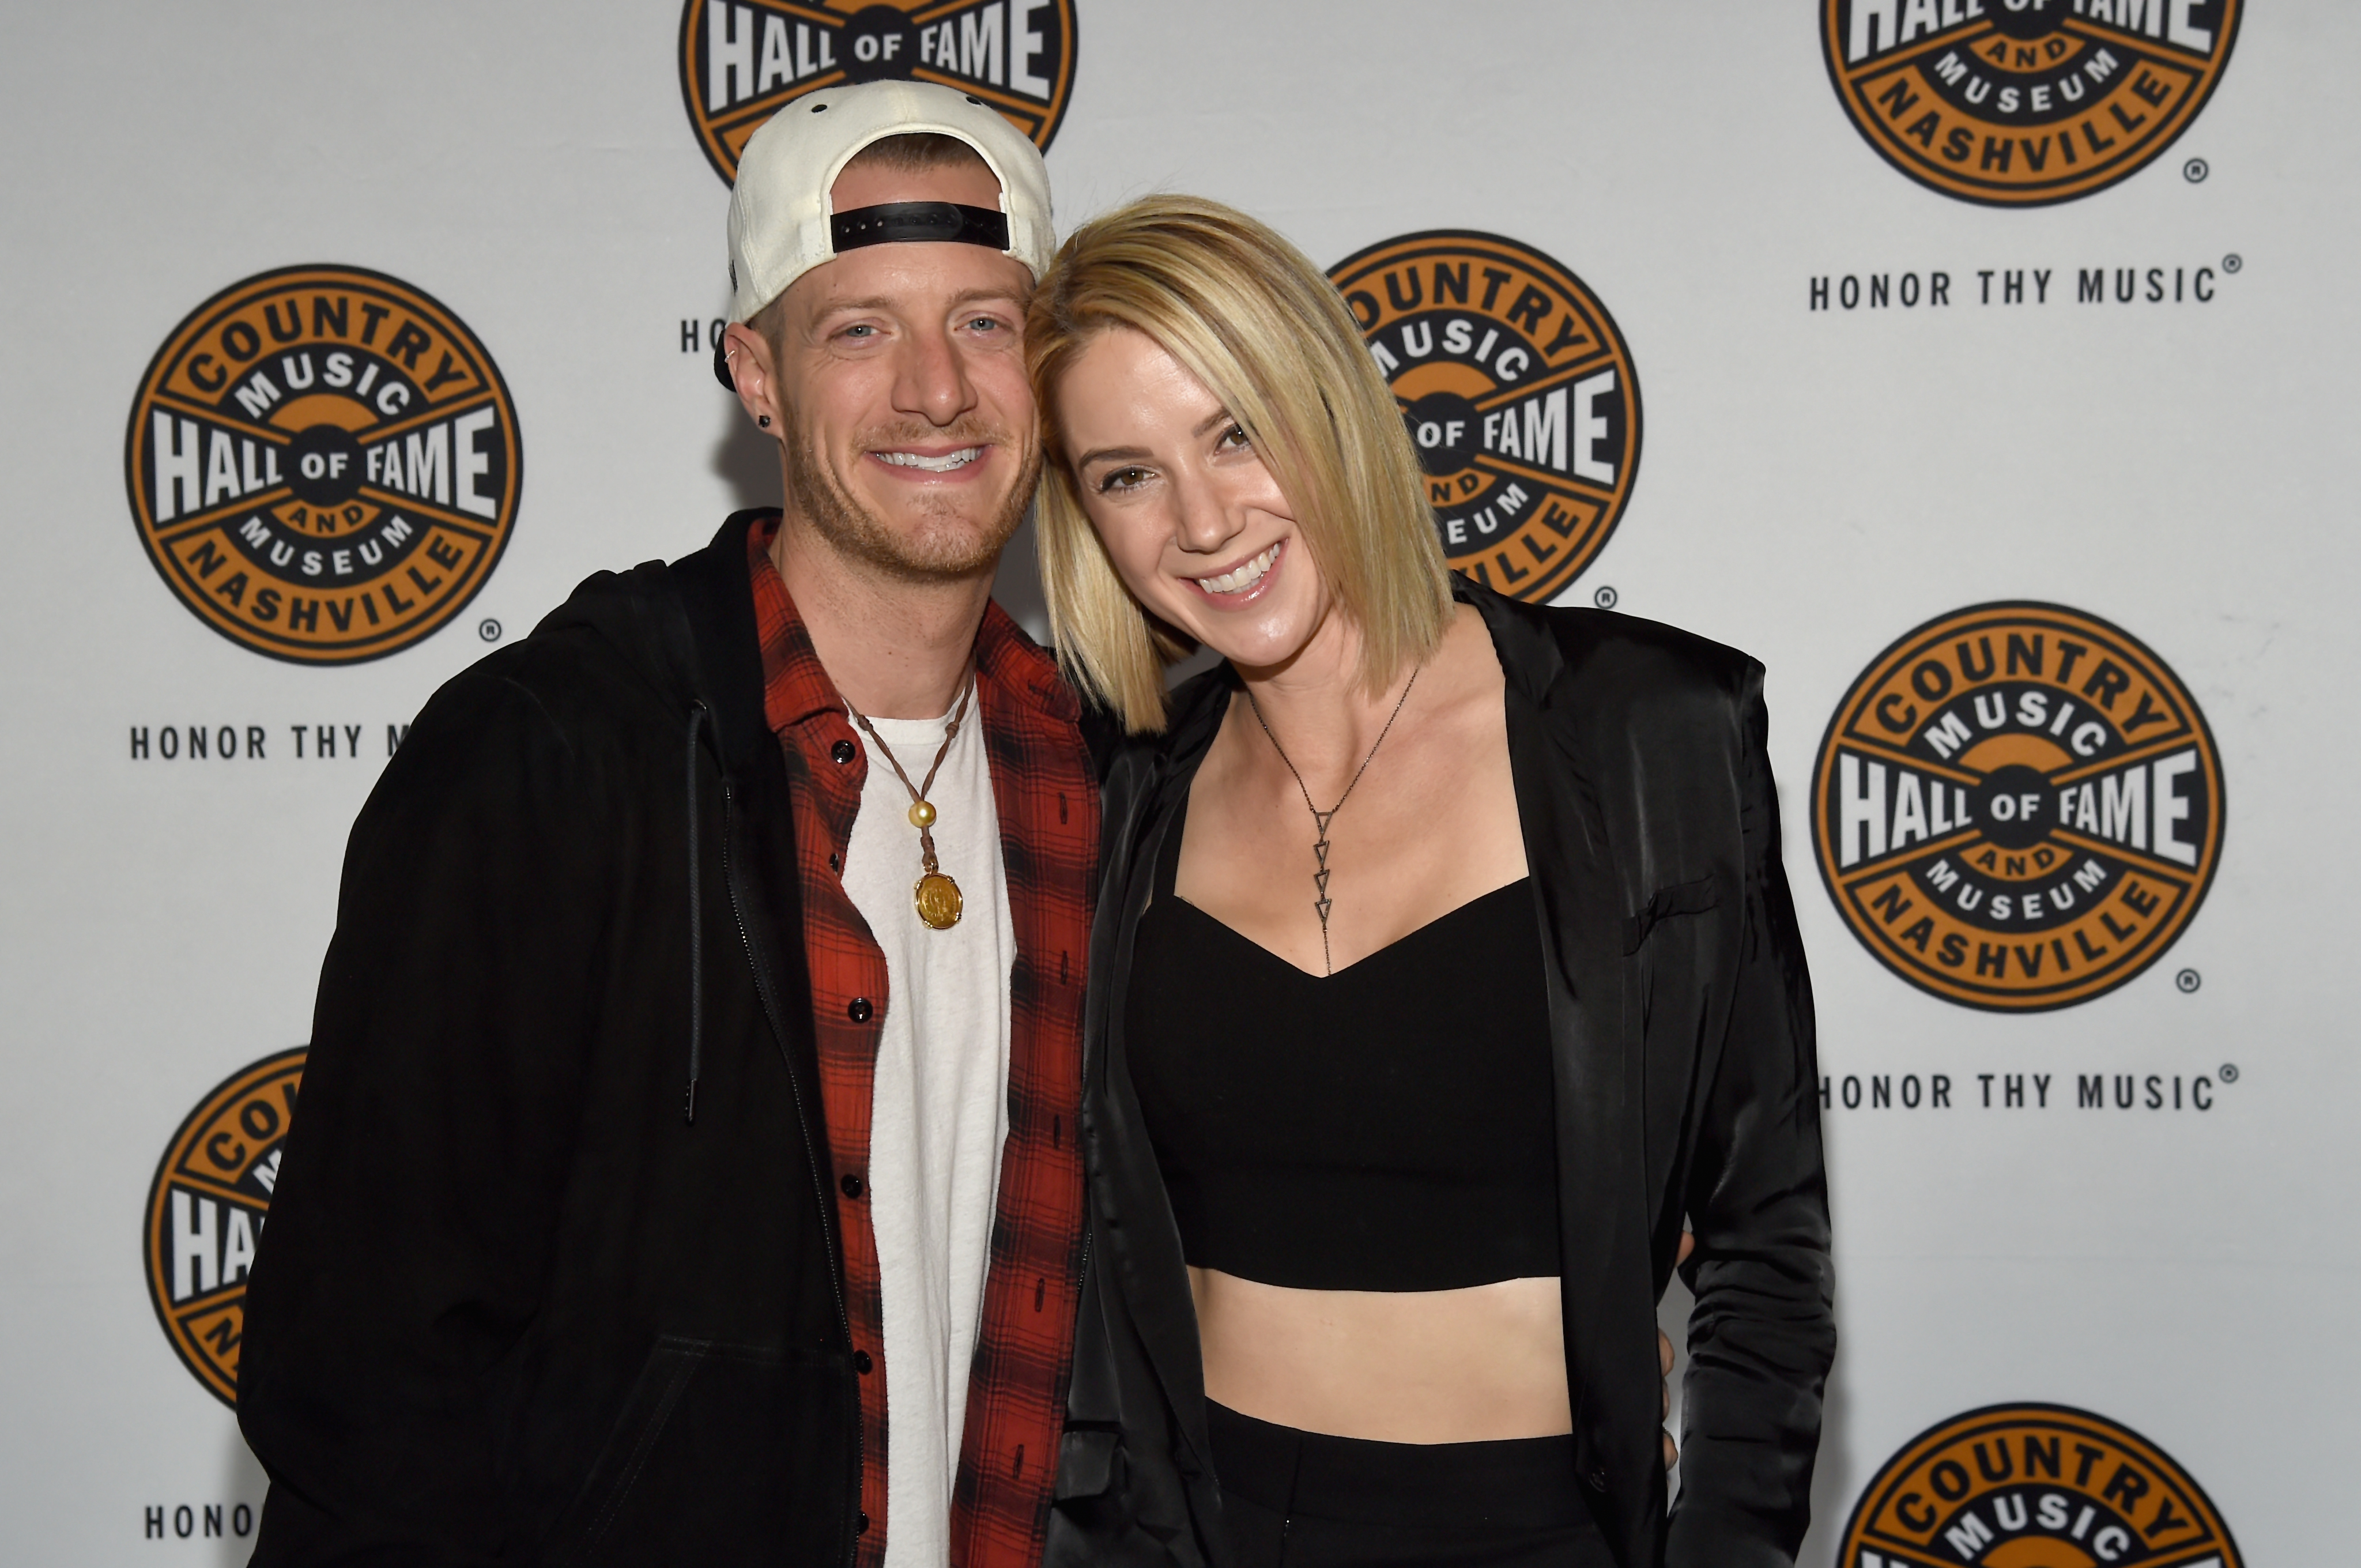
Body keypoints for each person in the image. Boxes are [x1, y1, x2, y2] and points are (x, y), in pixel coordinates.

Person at [235, 82, 1101, 1566]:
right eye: (859, 329)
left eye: (983, 322)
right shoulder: (553, 752)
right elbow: (363, 1369)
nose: (935, 391)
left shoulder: (1096, 767)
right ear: (755, 375)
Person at [1024, 196, 1835, 1568]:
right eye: (1126, 474)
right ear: (1083, 517)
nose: (1202, 519)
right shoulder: (1115, 795)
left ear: (1332, 408)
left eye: (1235, 432)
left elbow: (1762, 1248)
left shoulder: (1647, 735)